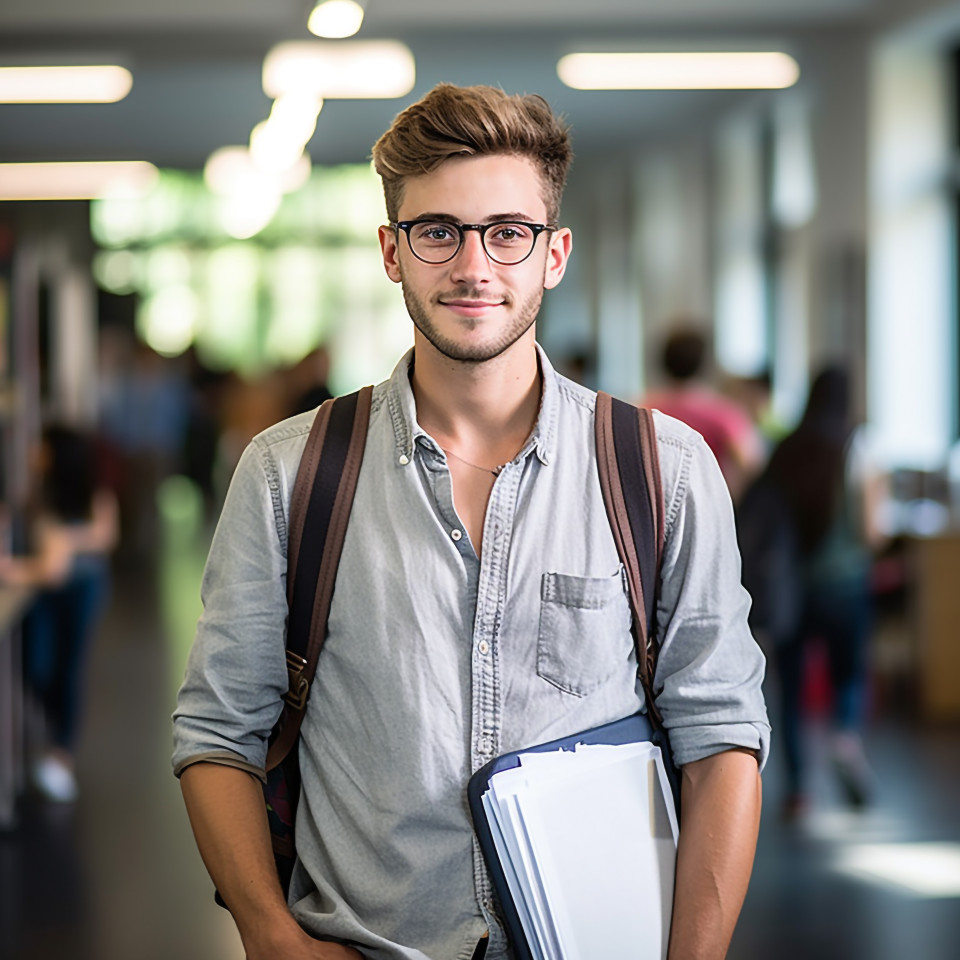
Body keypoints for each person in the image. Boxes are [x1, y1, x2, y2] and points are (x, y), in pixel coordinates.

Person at [173, 83, 769, 960]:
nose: (474, 265)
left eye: (508, 232)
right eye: (438, 231)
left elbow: (721, 735)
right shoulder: (289, 472)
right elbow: (217, 732)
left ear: (553, 253)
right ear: (392, 250)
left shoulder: (663, 473)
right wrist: (271, 936)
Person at [749, 366, 884, 818]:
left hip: (791, 588)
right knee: (849, 673)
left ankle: (798, 790)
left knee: (789, 687)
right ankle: (845, 735)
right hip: (845, 585)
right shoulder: (858, 451)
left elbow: (762, 515)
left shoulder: (787, 448)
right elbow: (870, 530)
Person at [0, 425, 119, 802]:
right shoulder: (37, 495)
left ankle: (61, 753)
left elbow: (102, 536)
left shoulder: (90, 493)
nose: (34, 452)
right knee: (37, 666)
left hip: (82, 592)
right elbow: (51, 567)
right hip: (44, 595)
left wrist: (61, 544)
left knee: (68, 668)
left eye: (42, 447)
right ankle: (54, 738)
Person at [644, 325, 765, 501]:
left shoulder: (643, 408)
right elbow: (751, 464)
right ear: (703, 364)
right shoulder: (723, 413)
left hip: (653, 505)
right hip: (708, 503)